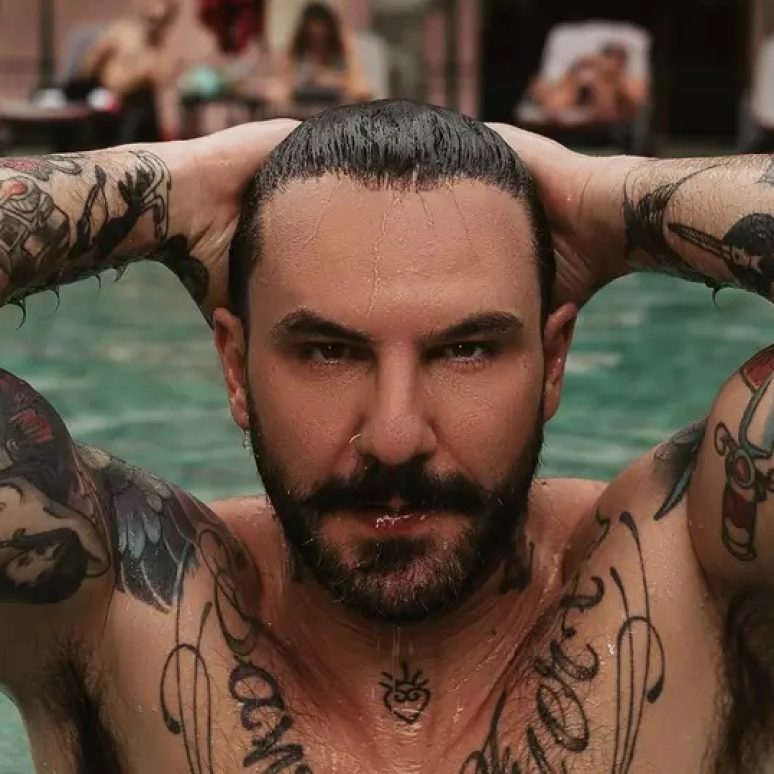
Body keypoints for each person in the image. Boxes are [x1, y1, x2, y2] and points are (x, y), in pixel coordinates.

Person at [0, 99, 772, 772]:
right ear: (235, 367)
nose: (396, 437)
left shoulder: (697, 573)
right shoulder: (116, 604)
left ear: (553, 363)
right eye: (326, 352)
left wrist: (612, 195)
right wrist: (170, 188)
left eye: (466, 350)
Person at [71, 0, 181, 143]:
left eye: (161, 21)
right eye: (152, 19)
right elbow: (91, 64)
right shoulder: (121, 34)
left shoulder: (162, 49)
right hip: (108, 103)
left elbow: (162, 79)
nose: (155, 25)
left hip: (141, 106)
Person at [269, 2, 371, 109]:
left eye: (321, 30)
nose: (316, 37)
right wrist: (303, 81)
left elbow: (359, 85)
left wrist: (330, 80)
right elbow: (284, 81)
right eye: (311, 32)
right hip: (303, 103)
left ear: (330, 30)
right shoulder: (298, 49)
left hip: (336, 103)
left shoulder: (342, 47)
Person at [529, 41, 646, 123]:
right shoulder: (586, 77)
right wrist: (576, 70)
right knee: (545, 89)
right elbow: (555, 105)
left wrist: (609, 79)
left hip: (610, 119)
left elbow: (612, 110)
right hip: (575, 113)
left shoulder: (631, 82)